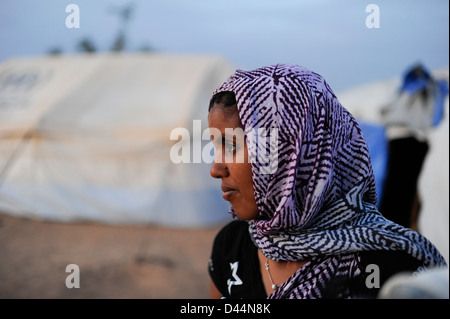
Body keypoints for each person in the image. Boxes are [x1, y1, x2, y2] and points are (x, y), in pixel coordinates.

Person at [206, 64, 447, 299]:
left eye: (231, 145)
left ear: (292, 152)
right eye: (216, 146)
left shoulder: (392, 267)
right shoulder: (231, 246)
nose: (215, 169)